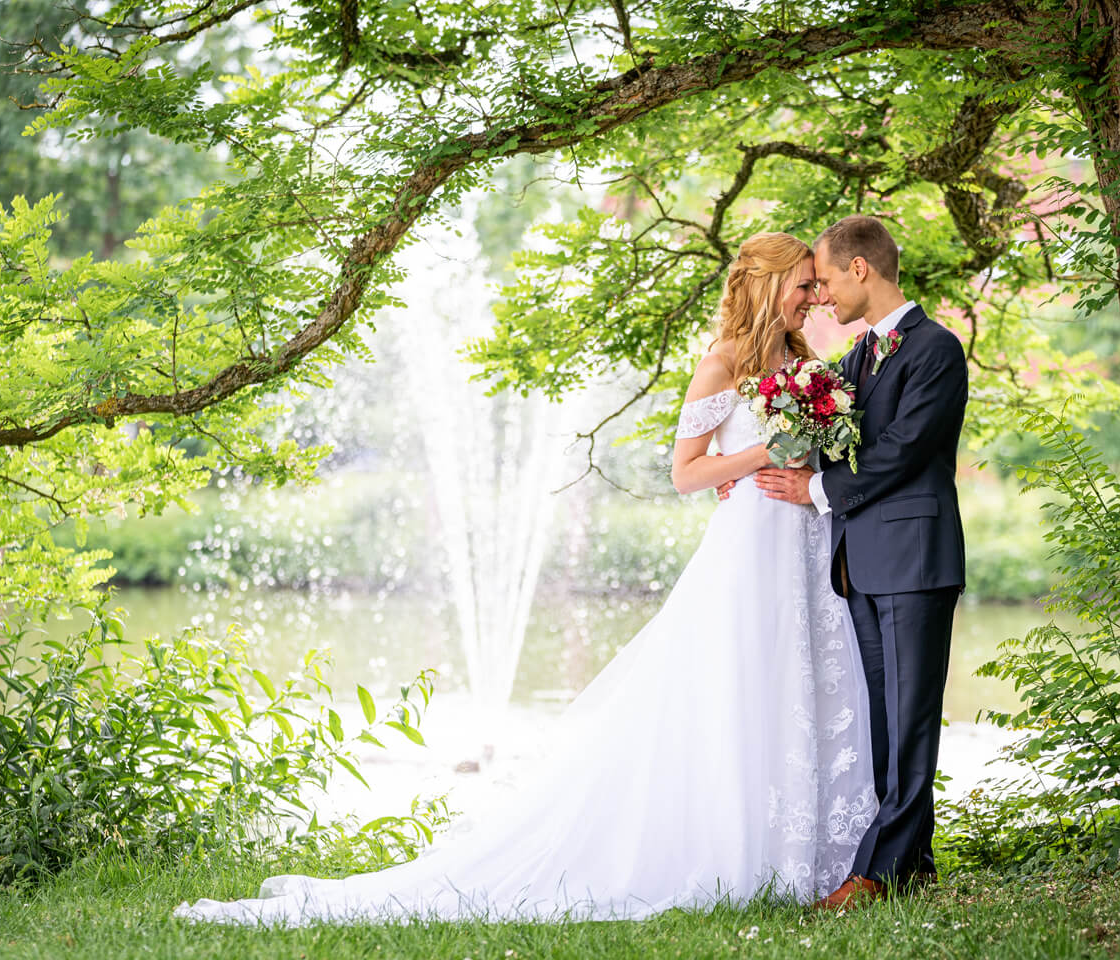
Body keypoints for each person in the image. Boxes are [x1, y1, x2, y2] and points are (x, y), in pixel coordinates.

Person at [173, 232, 878, 925]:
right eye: (804, 285)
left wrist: (809, 464)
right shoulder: (724, 362)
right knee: (742, 686)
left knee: (804, 680)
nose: (815, 297)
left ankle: (818, 857)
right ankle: (741, 853)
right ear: (765, 285)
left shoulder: (805, 360)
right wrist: (763, 453)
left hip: (806, 538)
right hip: (748, 548)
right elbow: (687, 472)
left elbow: (816, 452)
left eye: (819, 286)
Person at [755, 215, 967, 909]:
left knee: (909, 724)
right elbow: (830, 432)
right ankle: (913, 866)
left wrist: (816, 490)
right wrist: (753, 469)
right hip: (863, 564)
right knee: (883, 723)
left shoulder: (936, 350)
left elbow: (904, 447)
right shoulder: (859, 356)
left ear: (860, 270)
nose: (821, 298)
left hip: (914, 560)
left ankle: (873, 875)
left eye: (825, 280)